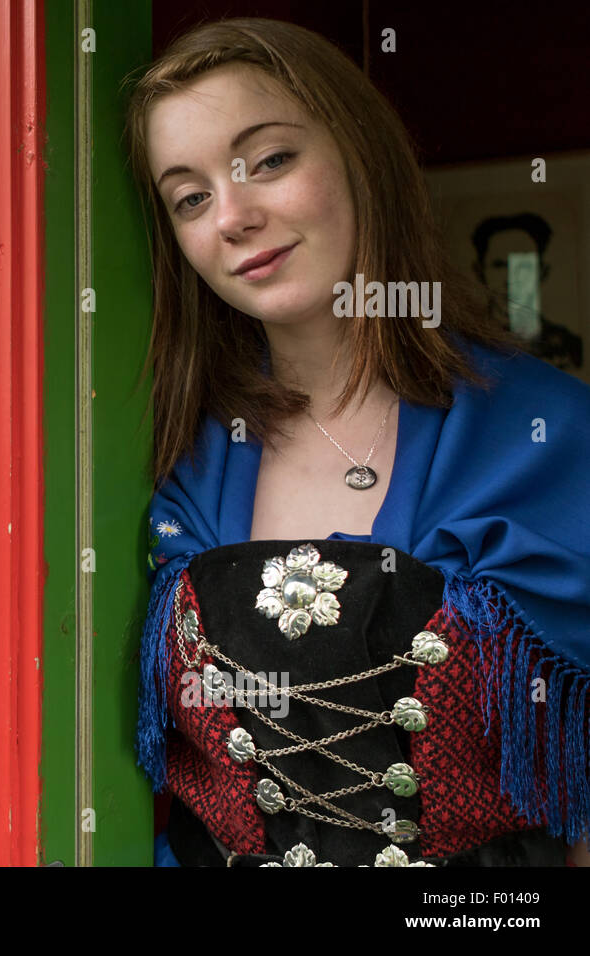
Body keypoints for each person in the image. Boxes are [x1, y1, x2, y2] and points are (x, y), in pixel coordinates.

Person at [124, 18, 590, 867]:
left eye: (269, 160)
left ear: (360, 155)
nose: (232, 216)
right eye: (190, 197)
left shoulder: (552, 432)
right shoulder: (170, 456)